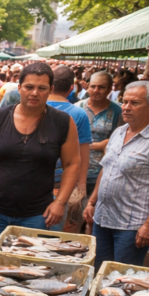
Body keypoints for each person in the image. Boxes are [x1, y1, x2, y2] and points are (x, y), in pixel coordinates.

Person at [0, 62, 83, 266]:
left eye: (42, 88)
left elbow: (73, 163)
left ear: (50, 90)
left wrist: (60, 202)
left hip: (36, 214)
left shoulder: (63, 122)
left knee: (27, 268)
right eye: (29, 87)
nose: (35, 93)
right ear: (19, 87)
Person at [83, 81, 149, 270]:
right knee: (100, 270)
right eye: (124, 102)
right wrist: (92, 202)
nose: (126, 107)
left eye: (134, 103)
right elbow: (106, 168)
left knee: (122, 277)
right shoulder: (119, 132)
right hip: (103, 218)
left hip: (132, 225)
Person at [46, 65, 92, 230]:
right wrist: (81, 185)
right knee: (53, 232)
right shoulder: (79, 113)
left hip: (31, 179)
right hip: (62, 184)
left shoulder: (34, 106)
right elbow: (83, 152)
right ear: (71, 88)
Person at [78, 72, 122, 220]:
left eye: (102, 87)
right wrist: (100, 145)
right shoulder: (77, 109)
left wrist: (86, 145)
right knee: (72, 221)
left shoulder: (119, 111)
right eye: (93, 86)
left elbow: (121, 141)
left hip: (103, 175)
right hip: (75, 173)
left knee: (93, 220)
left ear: (110, 89)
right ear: (87, 86)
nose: (96, 90)